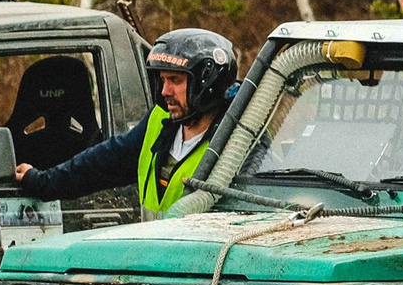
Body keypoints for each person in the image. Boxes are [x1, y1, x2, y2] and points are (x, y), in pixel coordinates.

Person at [16, 29, 239, 219]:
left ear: (207, 85)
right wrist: (43, 181)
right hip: (153, 253)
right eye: (162, 80)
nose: (165, 91)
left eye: (175, 80)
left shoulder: (238, 144)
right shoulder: (160, 120)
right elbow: (103, 161)